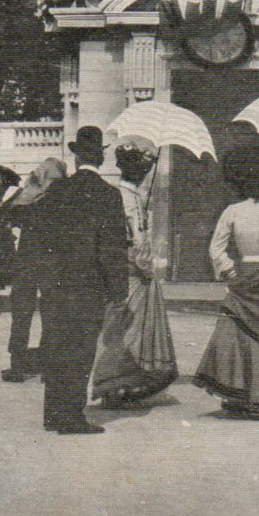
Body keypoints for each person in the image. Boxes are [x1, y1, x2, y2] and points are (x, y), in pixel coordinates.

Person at [33, 126, 129, 435]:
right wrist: (118, 289)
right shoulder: (109, 195)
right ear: (100, 160)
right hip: (88, 285)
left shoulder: (56, 191)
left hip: (55, 283)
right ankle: (71, 417)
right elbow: (112, 248)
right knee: (81, 349)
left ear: (76, 160)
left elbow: (41, 238)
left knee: (57, 344)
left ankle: (52, 414)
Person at [193, 146, 259, 421]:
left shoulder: (232, 211)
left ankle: (238, 393)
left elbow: (216, 249)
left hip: (244, 272)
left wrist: (229, 271)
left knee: (239, 333)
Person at [87, 144, 178, 406]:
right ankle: (113, 383)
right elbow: (136, 240)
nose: (145, 172)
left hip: (129, 268)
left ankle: (125, 381)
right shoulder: (127, 197)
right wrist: (148, 268)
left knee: (128, 325)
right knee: (127, 326)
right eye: (143, 168)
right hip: (132, 270)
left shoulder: (129, 195)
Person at [0, 157, 67, 383]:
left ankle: (17, 367)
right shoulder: (64, 200)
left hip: (26, 264)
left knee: (21, 315)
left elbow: (10, 218)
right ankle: (48, 370)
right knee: (51, 316)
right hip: (52, 264)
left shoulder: (28, 197)